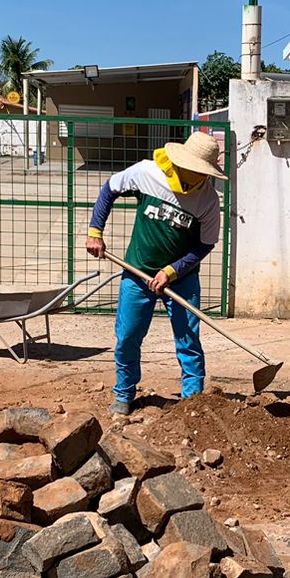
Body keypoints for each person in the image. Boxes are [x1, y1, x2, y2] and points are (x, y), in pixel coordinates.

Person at [85, 131, 224, 418]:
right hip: (138, 274)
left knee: (188, 341)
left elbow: (205, 244)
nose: (195, 177)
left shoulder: (208, 200)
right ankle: (124, 393)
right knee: (127, 337)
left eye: (202, 173)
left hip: (181, 280)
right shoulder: (149, 173)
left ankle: (192, 402)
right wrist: (95, 232)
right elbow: (110, 188)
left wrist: (172, 271)